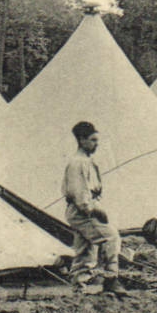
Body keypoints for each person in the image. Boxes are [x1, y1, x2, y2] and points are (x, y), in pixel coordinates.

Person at [62, 121, 123, 295]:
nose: (96, 144)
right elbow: (80, 194)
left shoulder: (86, 161)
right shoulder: (78, 163)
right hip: (82, 211)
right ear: (81, 140)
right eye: (93, 140)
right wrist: (95, 210)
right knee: (111, 237)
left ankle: (78, 288)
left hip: (84, 208)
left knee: (85, 249)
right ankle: (111, 279)